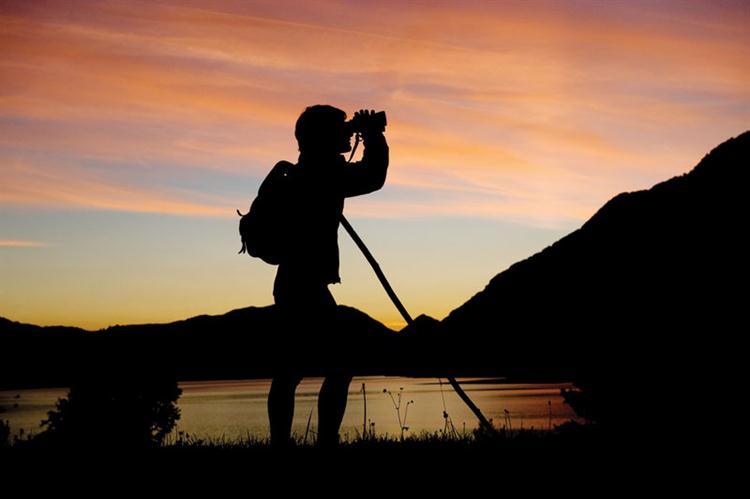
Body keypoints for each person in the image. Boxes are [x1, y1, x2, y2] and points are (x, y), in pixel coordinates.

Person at [267, 105, 389, 448]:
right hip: (306, 284)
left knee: (290, 368)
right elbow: (373, 177)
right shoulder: (325, 171)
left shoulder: (304, 170)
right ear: (322, 135)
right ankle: (325, 442)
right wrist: (374, 137)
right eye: (341, 127)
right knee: (338, 363)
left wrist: (364, 134)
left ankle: (282, 443)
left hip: (291, 282)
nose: (347, 131)